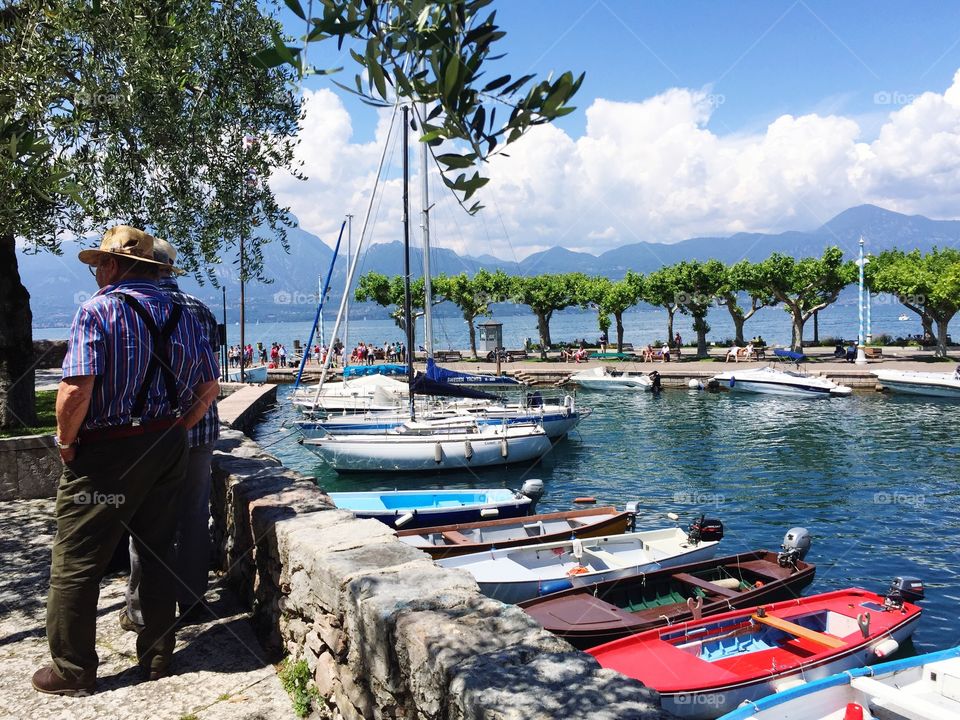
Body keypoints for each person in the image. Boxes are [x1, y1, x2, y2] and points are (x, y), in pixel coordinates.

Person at [33, 226, 218, 696]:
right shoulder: (185, 312)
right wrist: (178, 427)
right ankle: (157, 656)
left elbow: (76, 389)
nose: (96, 272)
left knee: (76, 557)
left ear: (115, 266)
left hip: (108, 449)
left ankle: (72, 670)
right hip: (167, 444)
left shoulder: (98, 310)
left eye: (99, 264)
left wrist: (66, 443)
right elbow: (208, 390)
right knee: (157, 550)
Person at [122, 238, 221, 638]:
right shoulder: (200, 309)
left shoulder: (127, 307)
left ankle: (140, 610)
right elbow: (209, 374)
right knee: (195, 514)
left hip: (150, 432)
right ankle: (193, 599)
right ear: (170, 269)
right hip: (200, 428)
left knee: (145, 519)